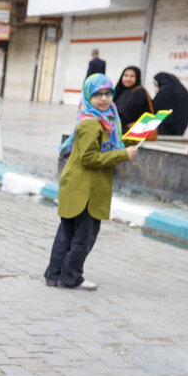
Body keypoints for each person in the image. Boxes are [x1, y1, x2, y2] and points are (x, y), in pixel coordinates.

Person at [45, 74, 138, 292]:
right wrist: (123, 155)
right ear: (88, 96)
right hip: (85, 190)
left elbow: (106, 146)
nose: (104, 99)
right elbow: (89, 158)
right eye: (97, 95)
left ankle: (54, 275)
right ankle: (70, 277)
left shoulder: (101, 119)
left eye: (107, 94)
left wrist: (129, 142)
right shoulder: (92, 124)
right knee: (83, 237)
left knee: (66, 233)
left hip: (77, 186)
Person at [151, 72, 188, 136]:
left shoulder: (165, 90)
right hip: (179, 131)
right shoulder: (183, 91)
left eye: (156, 85)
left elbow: (153, 108)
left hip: (163, 130)